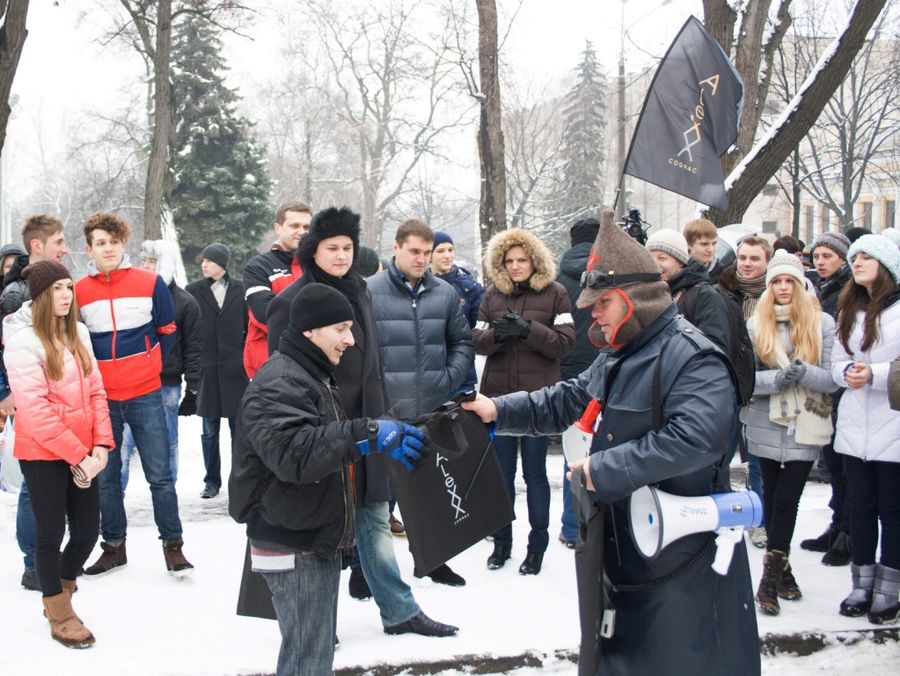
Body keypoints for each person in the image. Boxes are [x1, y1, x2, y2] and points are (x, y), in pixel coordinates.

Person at [462, 213, 759, 675]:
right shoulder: (623, 351)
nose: (592, 314)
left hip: (681, 556)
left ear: (631, 299)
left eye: (600, 304)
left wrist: (602, 468)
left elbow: (698, 438)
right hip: (626, 547)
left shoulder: (691, 356)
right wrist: (498, 409)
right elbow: (570, 398)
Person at [267, 208, 459, 634]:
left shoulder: (361, 291)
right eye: (331, 248)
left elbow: (374, 365)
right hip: (323, 433)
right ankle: (317, 625)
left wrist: (385, 416)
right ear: (312, 250)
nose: (340, 256)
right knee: (321, 529)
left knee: (373, 518)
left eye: (347, 248)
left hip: (371, 426)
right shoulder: (290, 301)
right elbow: (282, 378)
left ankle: (400, 611)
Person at [230, 282, 427, 676]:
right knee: (308, 657)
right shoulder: (281, 381)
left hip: (307, 533)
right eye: (340, 328)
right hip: (292, 541)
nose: (350, 340)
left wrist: (371, 431)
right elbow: (294, 455)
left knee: (312, 653)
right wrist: (365, 435)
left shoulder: (309, 373)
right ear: (309, 330)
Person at [74, 212, 192, 576]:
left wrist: (150, 364)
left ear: (122, 244)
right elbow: (76, 341)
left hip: (145, 393)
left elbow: (167, 328)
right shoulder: (80, 291)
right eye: (101, 243)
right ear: (89, 249)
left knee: (160, 475)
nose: (108, 249)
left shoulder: (149, 281)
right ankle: (113, 546)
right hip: (102, 398)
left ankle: (173, 545)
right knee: (107, 478)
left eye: (114, 241)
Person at [3, 260, 113, 648]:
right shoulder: (22, 343)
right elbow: (36, 413)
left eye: (69, 287)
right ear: (40, 297)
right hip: (43, 452)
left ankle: (60, 593)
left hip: (84, 450)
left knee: (86, 533)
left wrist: (100, 447)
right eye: (57, 289)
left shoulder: (79, 333)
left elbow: (98, 392)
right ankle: (59, 611)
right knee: (50, 534)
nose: (66, 296)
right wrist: (78, 457)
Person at [368, 218, 474, 587]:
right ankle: (368, 573)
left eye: (427, 253)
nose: (421, 259)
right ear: (396, 247)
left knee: (429, 491)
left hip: (430, 406)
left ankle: (431, 560)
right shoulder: (370, 291)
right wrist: (373, 392)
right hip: (385, 411)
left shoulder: (443, 293)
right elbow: (360, 349)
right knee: (379, 500)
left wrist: (449, 378)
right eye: (414, 251)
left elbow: (462, 341)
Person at [473, 227, 574, 575]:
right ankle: (502, 544)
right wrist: (498, 334)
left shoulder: (556, 293)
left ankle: (537, 546)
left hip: (538, 400)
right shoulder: (491, 295)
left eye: (522, 259)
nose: (516, 266)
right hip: (498, 400)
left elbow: (564, 343)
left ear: (534, 260)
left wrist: (528, 329)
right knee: (501, 477)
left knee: (535, 475)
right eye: (509, 261)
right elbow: (478, 340)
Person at [742, 250, 838, 616]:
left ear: (800, 286)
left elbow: (831, 377)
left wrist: (804, 374)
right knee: (772, 496)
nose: (783, 287)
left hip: (806, 422)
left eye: (789, 282)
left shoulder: (822, 323)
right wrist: (778, 379)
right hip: (766, 420)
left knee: (788, 499)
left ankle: (769, 576)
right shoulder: (755, 325)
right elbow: (746, 379)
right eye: (777, 281)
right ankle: (785, 570)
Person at [831, 234, 900, 625]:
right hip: (855, 421)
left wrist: (873, 374)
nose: (855, 263)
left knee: (892, 510)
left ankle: (889, 588)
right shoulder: (849, 308)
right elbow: (838, 359)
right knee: (859, 507)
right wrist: (846, 373)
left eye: (865, 257)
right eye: (854, 258)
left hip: (892, 419)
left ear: (886, 264)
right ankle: (862, 581)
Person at [0, 214, 69, 592]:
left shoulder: (55, 285)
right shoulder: (16, 293)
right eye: (58, 241)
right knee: (32, 484)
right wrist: (3, 391)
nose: (64, 247)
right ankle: (33, 563)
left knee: (50, 481)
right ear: (36, 246)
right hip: (27, 397)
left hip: (58, 396)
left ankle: (48, 556)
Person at [120, 240, 202, 491]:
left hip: (166, 383)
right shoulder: (130, 297)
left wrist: (193, 389)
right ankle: (114, 498)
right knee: (122, 443)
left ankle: (167, 493)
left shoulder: (185, 303)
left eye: (154, 261)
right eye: (145, 260)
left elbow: (194, 348)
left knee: (167, 443)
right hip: (129, 383)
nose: (148, 265)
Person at [800, 231, 853, 566]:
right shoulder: (822, 289)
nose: (820, 262)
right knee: (834, 467)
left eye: (827, 257)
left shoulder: (849, 292)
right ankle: (837, 526)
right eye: (817, 256)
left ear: (842, 259)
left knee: (846, 469)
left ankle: (848, 533)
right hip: (825, 388)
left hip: (846, 389)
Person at [720, 234, 773, 548]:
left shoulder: (776, 293)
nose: (748, 264)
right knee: (721, 459)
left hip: (762, 390)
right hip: (727, 388)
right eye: (743, 258)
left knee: (757, 463)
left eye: (755, 258)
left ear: (766, 262)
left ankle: (760, 522)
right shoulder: (722, 292)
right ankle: (725, 515)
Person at [186, 243, 248, 499]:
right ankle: (212, 481)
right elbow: (189, 332)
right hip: (208, 372)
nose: (204, 264)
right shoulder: (193, 291)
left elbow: (249, 327)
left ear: (223, 263)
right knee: (209, 431)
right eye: (203, 260)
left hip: (236, 371)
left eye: (210, 260)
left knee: (238, 430)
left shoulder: (241, 289)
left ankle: (239, 479)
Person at [556, 217, 601, 549]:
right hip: (605, 372)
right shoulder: (606, 278)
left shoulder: (558, 282)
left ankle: (571, 527)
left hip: (569, 374)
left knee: (573, 452)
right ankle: (596, 524)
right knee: (604, 452)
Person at [243, 201, 310, 378]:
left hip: (311, 363)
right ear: (278, 228)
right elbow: (265, 313)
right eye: (294, 225)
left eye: (306, 226)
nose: (302, 232)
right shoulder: (258, 266)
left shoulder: (317, 265)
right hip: (270, 364)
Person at [430, 230, 484, 393]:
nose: (447, 255)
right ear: (429, 255)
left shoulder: (471, 288)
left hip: (462, 375)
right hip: (429, 374)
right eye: (440, 251)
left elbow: (478, 332)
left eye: (450, 250)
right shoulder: (418, 285)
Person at [683, 218, 724, 284]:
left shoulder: (721, 273)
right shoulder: (676, 269)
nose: (711, 250)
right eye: (704, 244)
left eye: (714, 244)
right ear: (688, 244)